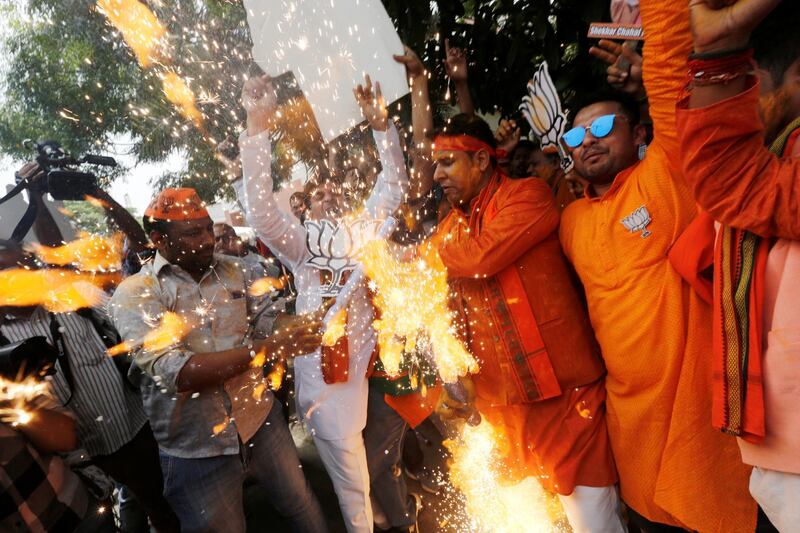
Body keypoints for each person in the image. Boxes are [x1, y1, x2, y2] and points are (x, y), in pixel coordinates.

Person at [558, 2, 756, 531]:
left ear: (640, 133)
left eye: (601, 126)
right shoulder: (571, 222)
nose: (589, 141)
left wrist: (660, 31)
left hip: (697, 419)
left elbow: (674, 89)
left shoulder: (667, 174)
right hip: (632, 428)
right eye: (575, 137)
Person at [428, 113, 622, 533]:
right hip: (500, 411)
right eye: (434, 165)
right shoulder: (447, 229)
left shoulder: (528, 196)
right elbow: (450, 312)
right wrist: (455, 378)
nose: (437, 174)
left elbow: (482, 257)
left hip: (565, 400)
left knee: (594, 522)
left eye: (447, 162)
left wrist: (428, 257)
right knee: (526, 523)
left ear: (481, 161)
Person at [234, 72, 408, 533]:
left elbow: (394, 187)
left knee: (368, 473)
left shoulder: (361, 231)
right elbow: (263, 213)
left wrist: (380, 126)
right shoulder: (300, 243)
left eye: (333, 189)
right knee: (353, 484)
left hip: (370, 371)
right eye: (316, 193)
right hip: (327, 383)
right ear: (304, 210)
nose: (328, 192)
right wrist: (257, 124)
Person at [109, 187, 327, 533]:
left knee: (299, 503)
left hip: (260, 422)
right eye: (193, 233)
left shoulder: (236, 270)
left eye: (208, 228)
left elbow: (266, 320)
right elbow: (178, 372)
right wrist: (269, 349)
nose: (208, 239)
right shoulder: (137, 293)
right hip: (197, 449)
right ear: (158, 239)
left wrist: (301, 324)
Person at [673, 0, 799, 530]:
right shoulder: (776, 158)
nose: (740, 101)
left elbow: (730, 178)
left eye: (749, 84)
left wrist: (718, 51)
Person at [0, 238, 180, 533]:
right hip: (79, 461)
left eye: (18, 266)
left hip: (135, 430)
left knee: (163, 505)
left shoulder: (74, 293)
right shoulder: (2, 341)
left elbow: (130, 322)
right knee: (117, 512)